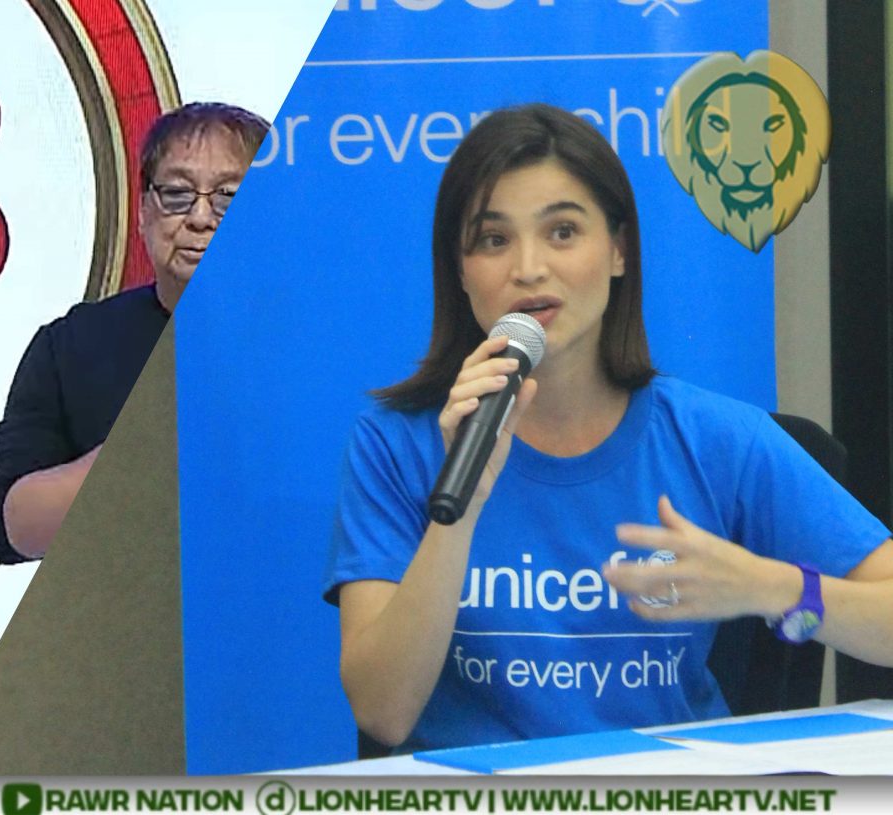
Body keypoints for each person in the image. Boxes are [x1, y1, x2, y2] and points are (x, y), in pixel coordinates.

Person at [325, 103, 893, 753]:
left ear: (619, 250)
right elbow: (383, 713)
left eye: (563, 231)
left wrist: (773, 586)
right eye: (493, 239)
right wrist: (460, 509)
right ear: (459, 270)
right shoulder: (396, 443)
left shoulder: (715, 439)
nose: (528, 267)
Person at [0, 102, 269, 562]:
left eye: (228, 197)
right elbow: (8, 528)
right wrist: (131, 456)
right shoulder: (70, 346)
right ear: (142, 213)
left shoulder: (329, 349)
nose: (200, 217)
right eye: (177, 194)